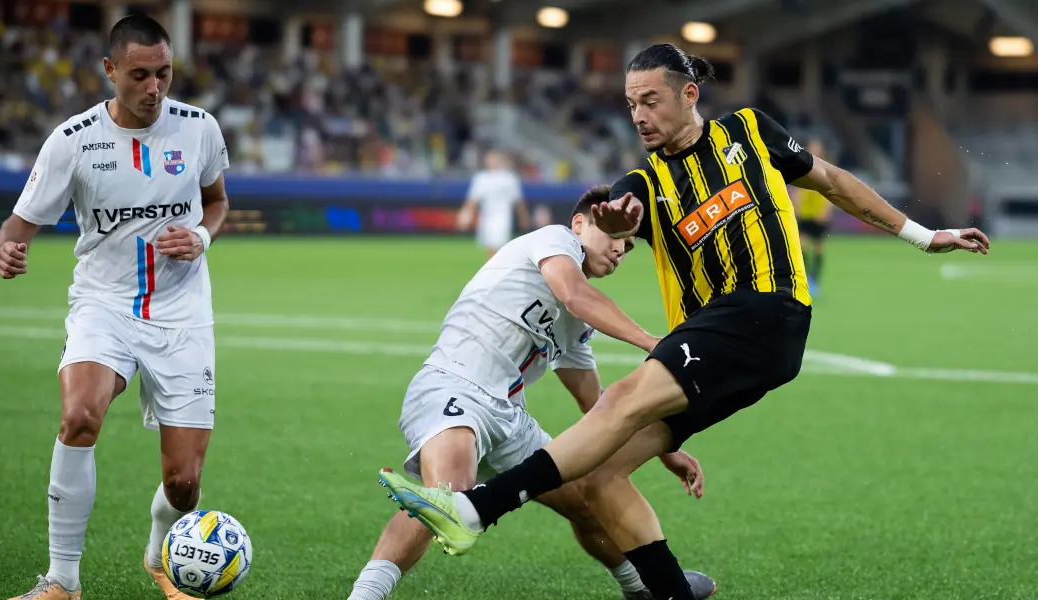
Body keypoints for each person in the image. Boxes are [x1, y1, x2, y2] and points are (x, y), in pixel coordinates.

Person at [377, 43, 990, 600]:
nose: (639, 115)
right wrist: (617, 223)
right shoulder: (641, 183)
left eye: (651, 100)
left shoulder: (750, 132)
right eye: (630, 104)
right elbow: (614, 216)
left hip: (767, 309)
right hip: (713, 343)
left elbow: (831, 182)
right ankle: (668, 594)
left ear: (688, 94)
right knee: (603, 477)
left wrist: (922, 234)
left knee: (619, 398)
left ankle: (476, 510)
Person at [361, 186, 716, 600]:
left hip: (509, 418)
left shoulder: (577, 323)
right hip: (454, 386)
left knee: (586, 497)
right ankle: (364, 596)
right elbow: (575, 294)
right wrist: (652, 342)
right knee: (446, 499)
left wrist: (665, 450)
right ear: (579, 223)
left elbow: (597, 404)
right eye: (614, 236)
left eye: (629, 245)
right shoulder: (554, 240)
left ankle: (640, 589)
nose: (621, 249)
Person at [0, 14, 230, 600]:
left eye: (165, 74)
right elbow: (18, 222)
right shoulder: (73, 141)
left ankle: (160, 550)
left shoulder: (199, 129)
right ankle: (61, 581)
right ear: (110, 71)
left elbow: (218, 201)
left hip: (181, 316)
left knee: (184, 483)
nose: (154, 87)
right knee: (79, 417)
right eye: (140, 75)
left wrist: (201, 237)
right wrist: (9, 248)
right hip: (104, 306)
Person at [456, 149, 531, 259]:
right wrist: (465, 215)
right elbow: (472, 200)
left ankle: (497, 270)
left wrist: (524, 218)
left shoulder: (509, 178)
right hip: (486, 217)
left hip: (503, 217)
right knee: (490, 246)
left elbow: (518, 201)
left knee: (499, 245)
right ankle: (493, 270)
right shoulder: (481, 178)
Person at [791, 137, 834, 296]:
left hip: (818, 215)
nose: (814, 150)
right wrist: (795, 207)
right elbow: (796, 189)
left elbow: (829, 190)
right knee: (801, 247)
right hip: (804, 214)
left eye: (817, 148)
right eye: (812, 147)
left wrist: (826, 210)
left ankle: (815, 279)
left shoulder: (825, 168)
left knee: (818, 248)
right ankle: (806, 278)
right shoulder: (801, 165)